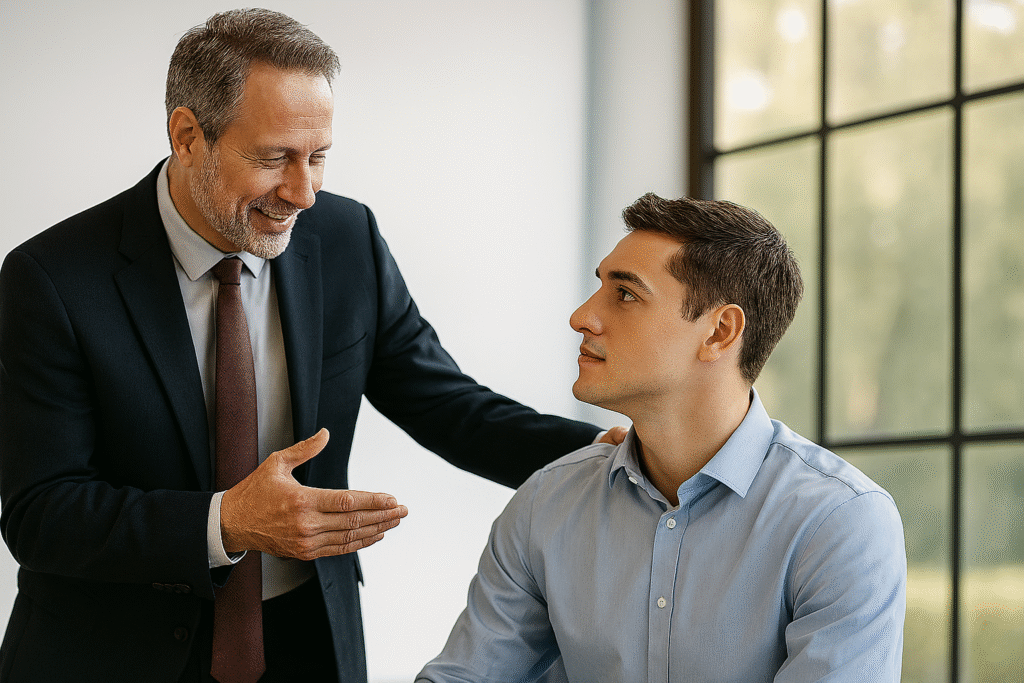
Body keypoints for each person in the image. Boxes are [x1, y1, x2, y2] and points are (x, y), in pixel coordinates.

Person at [0, 9, 622, 683]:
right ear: (187, 136)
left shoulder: (346, 238)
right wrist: (227, 521)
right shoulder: (52, 279)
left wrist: (601, 459)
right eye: (274, 159)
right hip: (110, 653)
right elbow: (42, 510)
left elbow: (448, 404)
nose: (302, 192)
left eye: (318, 157)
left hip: (308, 640)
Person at [417, 193, 907, 682]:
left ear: (719, 332)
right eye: (600, 287)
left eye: (626, 294)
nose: (582, 316)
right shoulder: (545, 503)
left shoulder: (840, 523)